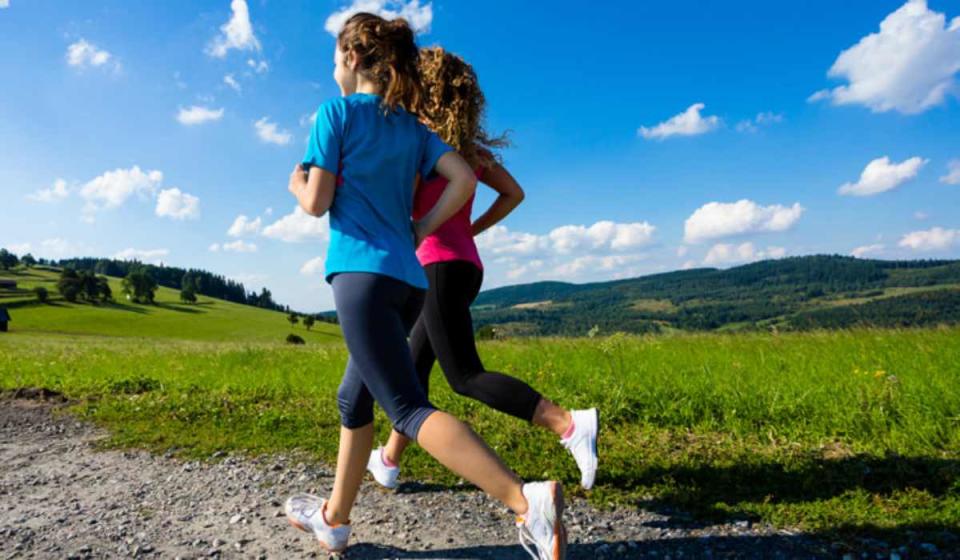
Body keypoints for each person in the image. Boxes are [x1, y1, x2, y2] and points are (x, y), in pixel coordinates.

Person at [282, 13, 566, 559]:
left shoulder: (335, 114)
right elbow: (463, 179)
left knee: (408, 408)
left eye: (335, 55)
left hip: (360, 277)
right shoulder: (413, 129)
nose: (333, 64)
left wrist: (296, 182)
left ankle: (527, 503)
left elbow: (317, 202)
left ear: (353, 58)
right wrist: (421, 228)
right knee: (353, 396)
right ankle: (334, 520)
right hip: (409, 280)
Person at [366, 47, 599, 495]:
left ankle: (568, 424)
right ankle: (389, 459)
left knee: (465, 376)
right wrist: (471, 227)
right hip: (464, 267)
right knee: (413, 369)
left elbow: (400, 208)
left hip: (434, 268)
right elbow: (513, 194)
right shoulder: (468, 151)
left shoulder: (420, 146)